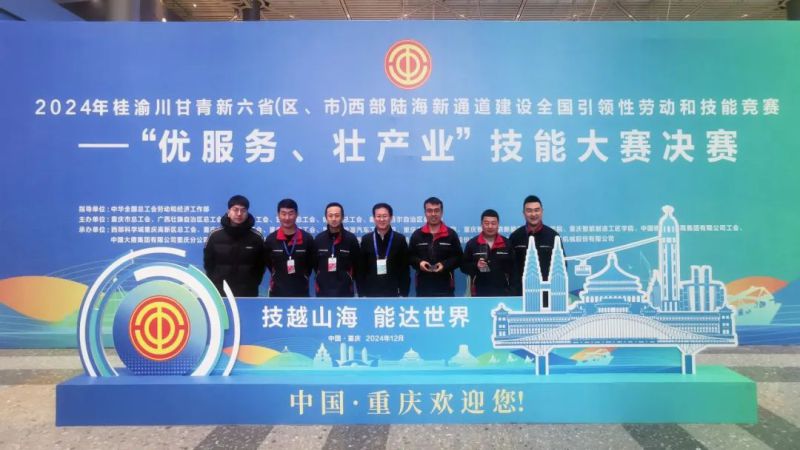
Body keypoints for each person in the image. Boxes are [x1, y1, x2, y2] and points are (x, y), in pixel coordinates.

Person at [203, 195, 265, 297]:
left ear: (247, 212)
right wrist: (216, 282)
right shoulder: (215, 236)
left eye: (243, 210)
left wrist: (252, 283)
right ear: (229, 211)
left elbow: (260, 266)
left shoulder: (256, 237)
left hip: (248, 292)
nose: (239, 214)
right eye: (235, 210)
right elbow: (208, 264)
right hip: (220, 292)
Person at [408, 197, 463, 297]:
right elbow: (410, 257)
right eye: (429, 211)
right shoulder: (417, 235)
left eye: (436, 210)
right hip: (423, 287)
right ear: (425, 213)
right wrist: (419, 263)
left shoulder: (451, 234)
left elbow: (459, 257)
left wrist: (444, 265)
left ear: (442, 212)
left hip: (446, 287)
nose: (433, 214)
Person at [509, 195, 562, 298]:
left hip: (547, 294)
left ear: (542, 211)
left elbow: (561, 264)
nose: (533, 214)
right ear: (523, 213)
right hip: (520, 294)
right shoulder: (515, 237)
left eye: (536, 210)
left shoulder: (553, 236)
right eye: (529, 211)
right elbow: (510, 267)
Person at [264, 198, 316, 297]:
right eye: (283, 214)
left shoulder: (307, 239)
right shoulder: (271, 240)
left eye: (291, 213)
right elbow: (269, 263)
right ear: (278, 215)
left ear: (297, 214)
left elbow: (311, 264)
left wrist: (304, 276)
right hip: (277, 292)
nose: (287, 218)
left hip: (301, 292)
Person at [358, 202, 410, 297]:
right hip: (370, 293)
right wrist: (362, 294)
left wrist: (403, 293)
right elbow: (361, 270)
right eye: (378, 216)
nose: (382, 219)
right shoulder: (366, 239)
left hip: (394, 292)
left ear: (391, 217)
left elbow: (404, 270)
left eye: (385, 216)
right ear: (374, 218)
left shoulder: (399, 239)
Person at [461, 209, 515, 297]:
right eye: (486, 223)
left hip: (503, 293)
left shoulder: (507, 244)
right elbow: (463, 267)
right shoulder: (472, 244)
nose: (490, 226)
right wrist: (476, 266)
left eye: (493, 223)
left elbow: (514, 269)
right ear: (481, 224)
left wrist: (511, 291)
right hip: (478, 293)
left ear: (498, 225)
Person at [314, 202, 361, 297]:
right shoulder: (319, 239)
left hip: (345, 291)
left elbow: (357, 265)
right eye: (330, 216)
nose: (333, 219)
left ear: (342, 217)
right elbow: (314, 264)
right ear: (326, 217)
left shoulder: (351, 239)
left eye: (337, 215)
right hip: (323, 291)